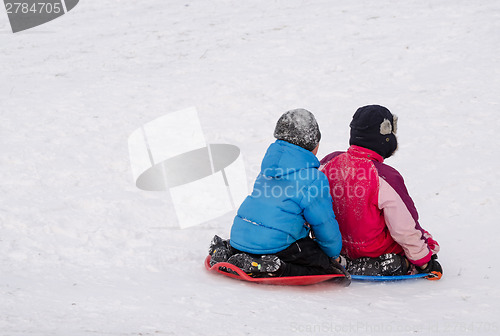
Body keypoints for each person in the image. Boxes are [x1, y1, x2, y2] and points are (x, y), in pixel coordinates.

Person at [208, 108, 349, 282]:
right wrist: (333, 255)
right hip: (276, 245)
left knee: (269, 234)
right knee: (321, 264)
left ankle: (230, 252)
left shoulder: (267, 169)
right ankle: (274, 267)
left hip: (241, 237)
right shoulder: (313, 178)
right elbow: (323, 223)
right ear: (315, 145)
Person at [320, 105, 442, 279]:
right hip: (373, 249)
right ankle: (390, 263)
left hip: (335, 245)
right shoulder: (384, 177)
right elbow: (404, 228)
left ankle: (342, 261)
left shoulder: (329, 162)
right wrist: (424, 260)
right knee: (421, 240)